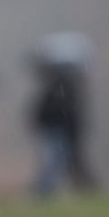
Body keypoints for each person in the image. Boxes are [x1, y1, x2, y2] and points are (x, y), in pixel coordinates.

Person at [28, 61, 94, 197]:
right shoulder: (60, 90)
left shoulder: (60, 90)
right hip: (59, 131)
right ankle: (45, 189)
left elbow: (45, 112)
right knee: (57, 161)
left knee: (55, 161)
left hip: (58, 131)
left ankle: (45, 189)